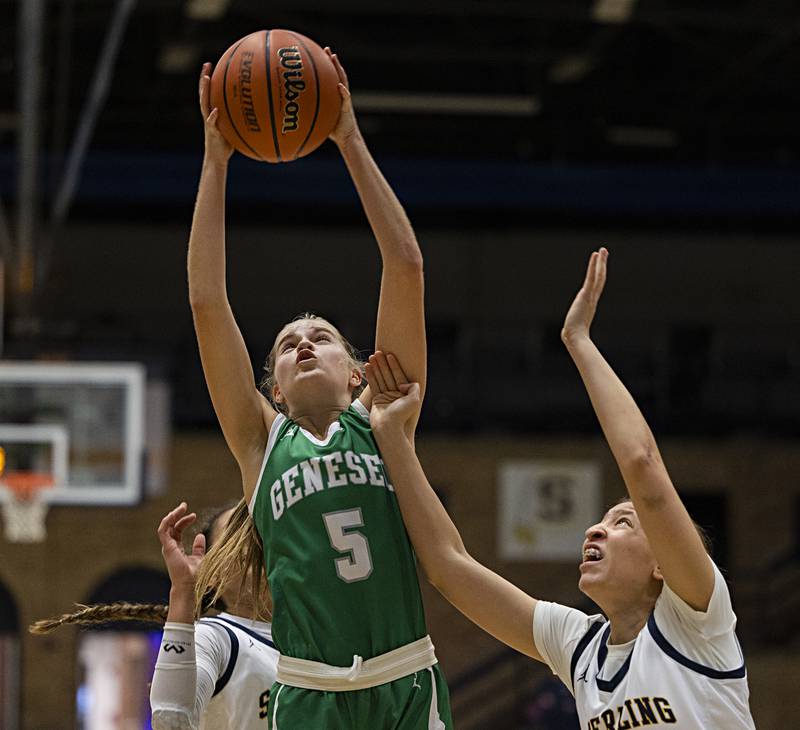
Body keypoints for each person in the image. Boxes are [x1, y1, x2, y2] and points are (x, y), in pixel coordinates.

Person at [365, 248, 756, 729]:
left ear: (664, 565)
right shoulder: (580, 646)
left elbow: (643, 467)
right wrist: (393, 438)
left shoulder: (698, 621)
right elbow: (449, 566)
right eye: (602, 521)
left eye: (623, 523)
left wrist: (579, 341)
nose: (595, 530)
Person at [190, 47, 451, 728]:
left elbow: (406, 263)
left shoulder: (386, 412)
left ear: (357, 371)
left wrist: (349, 138)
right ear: (273, 390)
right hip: (308, 690)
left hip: (404, 678)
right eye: (286, 345)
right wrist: (216, 163)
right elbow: (207, 303)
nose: (304, 343)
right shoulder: (260, 443)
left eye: (323, 337)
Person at [30, 501, 277, 730]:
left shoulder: (298, 639)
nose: (253, 540)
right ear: (212, 573)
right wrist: (183, 591)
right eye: (238, 534)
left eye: (259, 530)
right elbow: (171, 719)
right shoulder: (215, 638)